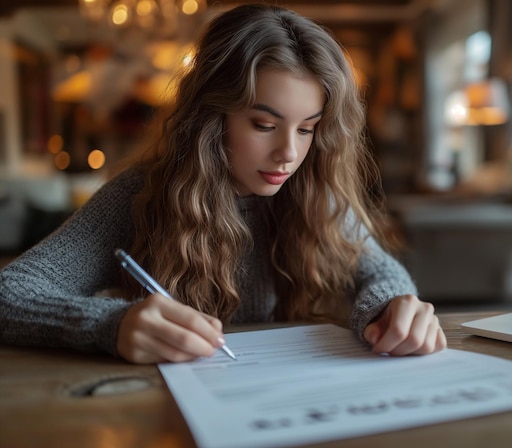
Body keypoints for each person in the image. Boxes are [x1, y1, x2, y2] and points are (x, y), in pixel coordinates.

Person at [0, 3, 446, 364]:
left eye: (307, 128)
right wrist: (110, 324)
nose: (289, 153)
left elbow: (381, 270)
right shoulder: (142, 193)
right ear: (212, 119)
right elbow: (11, 292)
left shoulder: (313, 189)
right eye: (264, 124)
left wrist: (392, 305)